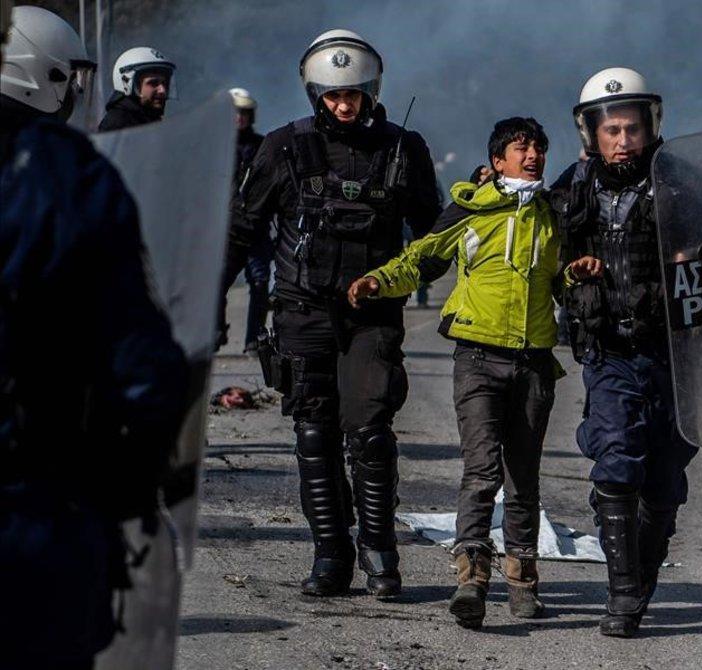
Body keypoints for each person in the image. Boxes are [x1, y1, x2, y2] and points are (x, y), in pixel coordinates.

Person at [0, 7, 189, 667]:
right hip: (34, 504)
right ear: (41, 74)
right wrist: (126, 486)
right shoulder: (62, 173)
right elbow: (143, 366)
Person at [224, 28, 441, 599]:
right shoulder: (282, 147)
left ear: (372, 91)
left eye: (354, 95)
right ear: (315, 94)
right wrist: (206, 301)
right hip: (301, 312)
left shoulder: (404, 147)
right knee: (314, 433)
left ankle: (381, 554)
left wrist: (426, 259)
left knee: (369, 430)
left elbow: (432, 239)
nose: (344, 106)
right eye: (332, 96)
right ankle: (330, 555)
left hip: (373, 315)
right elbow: (243, 229)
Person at [349, 117, 586, 628]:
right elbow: (420, 258)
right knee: (481, 473)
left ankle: (523, 581)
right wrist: (377, 280)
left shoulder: (553, 216)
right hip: (477, 358)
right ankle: (471, 580)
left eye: (539, 149)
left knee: (523, 479)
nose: (533, 156)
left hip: (534, 364)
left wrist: (577, 276)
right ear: (497, 160)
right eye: (521, 148)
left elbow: (563, 285)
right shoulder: (470, 209)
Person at [551, 67, 698, 638]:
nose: (622, 140)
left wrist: (693, 257)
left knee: (663, 482)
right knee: (616, 461)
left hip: (675, 355)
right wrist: (572, 269)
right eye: (611, 130)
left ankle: (642, 575)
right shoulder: (573, 186)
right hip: (609, 349)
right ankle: (622, 593)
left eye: (631, 128)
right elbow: (548, 255)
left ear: (649, 127)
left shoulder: (682, 184)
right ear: (592, 132)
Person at [229, 87, 270, 352]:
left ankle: (253, 339)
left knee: (260, 283)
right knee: (217, 284)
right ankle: (214, 333)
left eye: (244, 113)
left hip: (256, 229)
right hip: (227, 232)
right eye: (234, 113)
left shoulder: (262, 147)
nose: (239, 118)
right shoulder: (214, 148)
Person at [98, 46, 173, 131]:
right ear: (128, 84)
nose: (162, 90)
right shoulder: (118, 124)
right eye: (153, 83)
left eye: (165, 83)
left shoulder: (146, 120)